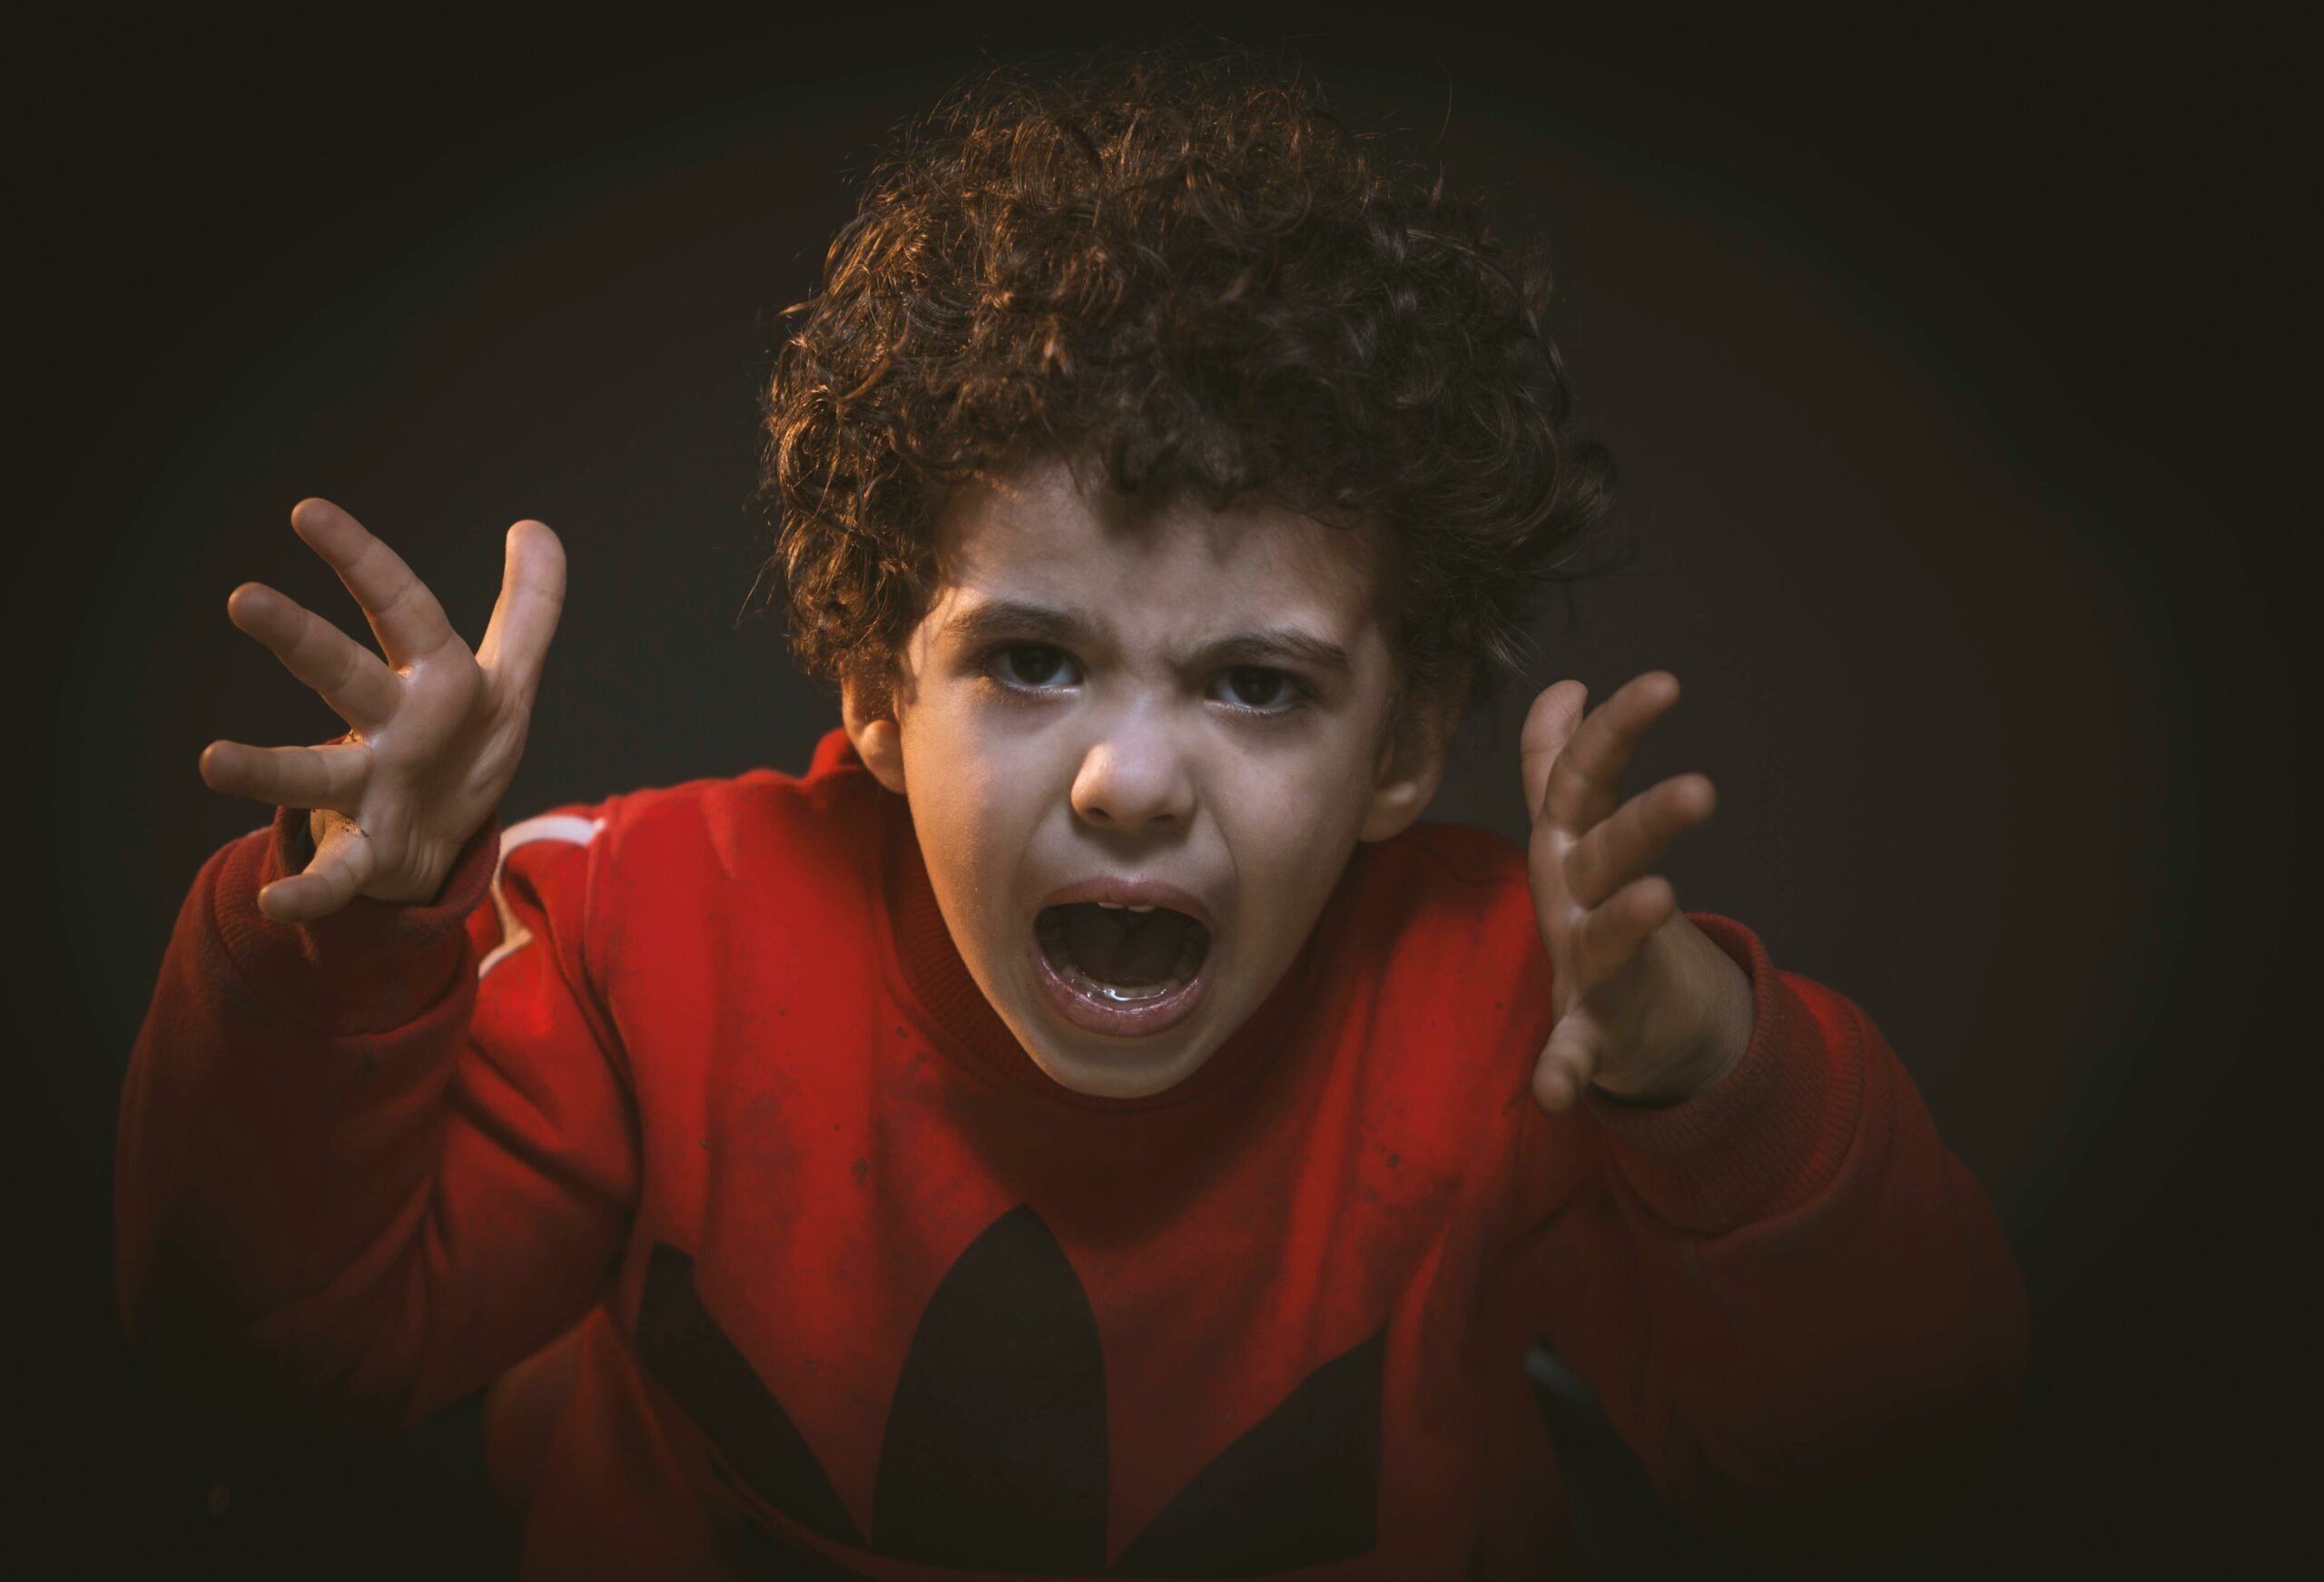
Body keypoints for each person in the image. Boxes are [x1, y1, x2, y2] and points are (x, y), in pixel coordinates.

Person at [114, 43, 2028, 1581]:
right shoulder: (635, 928)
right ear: (874, 686)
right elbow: (273, 1351)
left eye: (1254, 682)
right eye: (1031, 659)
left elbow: (1881, 1459)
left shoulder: (1511, 1011)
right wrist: (360, 926)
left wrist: (1706, 1085)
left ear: (1391, 750)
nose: (1125, 777)